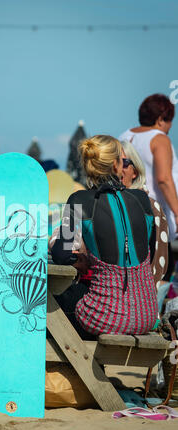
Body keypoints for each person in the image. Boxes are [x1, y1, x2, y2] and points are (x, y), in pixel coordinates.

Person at [50, 135, 158, 339]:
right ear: (117, 164)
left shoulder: (79, 200)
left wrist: (79, 259)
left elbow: (61, 255)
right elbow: (148, 253)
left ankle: (69, 369)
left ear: (87, 165)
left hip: (106, 316)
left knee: (55, 297)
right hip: (147, 314)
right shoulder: (142, 199)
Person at [118, 94, 178, 280]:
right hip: (154, 214)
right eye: (170, 121)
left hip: (126, 209)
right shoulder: (159, 139)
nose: (170, 128)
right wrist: (177, 212)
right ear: (161, 119)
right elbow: (164, 179)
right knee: (160, 272)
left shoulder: (124, 136)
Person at [120, 140, 169, 290]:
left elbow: (158, 263)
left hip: (136, 297)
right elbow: (64, 249)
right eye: (108, 161)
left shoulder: (149, 206)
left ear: (135, 171)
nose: (115, 167)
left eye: (123, 162)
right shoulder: (80, 200)